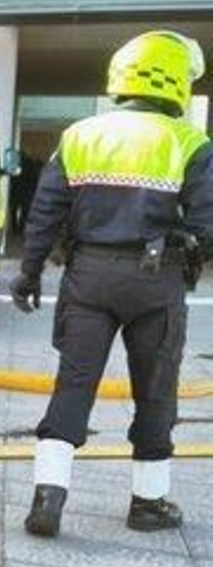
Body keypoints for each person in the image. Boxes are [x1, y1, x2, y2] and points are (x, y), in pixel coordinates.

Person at [13, 30, 213, 538]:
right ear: (176, 83)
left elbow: (45, 211)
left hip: (88, 277)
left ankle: (48, 499)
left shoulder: (81, 135)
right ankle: (148, 504)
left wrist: (30, 271)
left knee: (74, 383)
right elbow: (207, 224)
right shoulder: (189, 141)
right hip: (156, 281)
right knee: (155, 391)